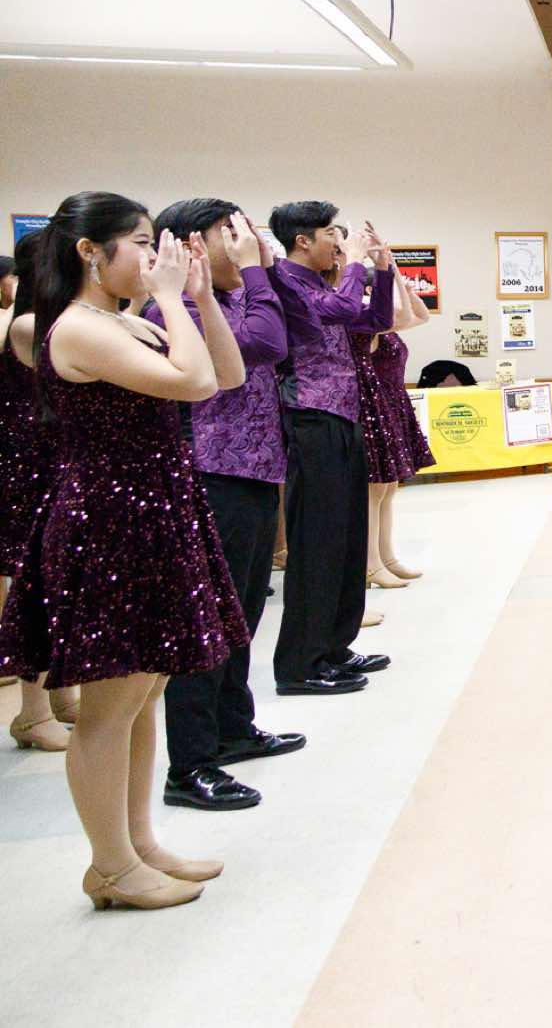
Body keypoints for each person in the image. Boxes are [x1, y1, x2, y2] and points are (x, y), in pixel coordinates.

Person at [0, 193, 252, 912]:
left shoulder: (123, 321)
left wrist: (200, 299)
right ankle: (109, 864)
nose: (152, 255)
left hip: (152, 513)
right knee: (110, 707)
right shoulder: (77, 328)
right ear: (90, 251)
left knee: (143, 697)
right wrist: (169, 297)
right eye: (141, 242)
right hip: (111, 523)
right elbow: (193, 383)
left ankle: (138, 841)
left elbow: (227, 375)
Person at [144, 200, 304, 812]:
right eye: (227, 232)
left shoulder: (231, 296)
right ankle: (191, 763)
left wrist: (260, 270)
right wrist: (256, 271)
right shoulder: (177, 307)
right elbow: (266, 343)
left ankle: (234, 728)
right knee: (208, 621)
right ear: (190, 245)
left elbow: (290, 333)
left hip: (256, 469)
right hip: (212, 472)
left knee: (242, 614)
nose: (244, 241)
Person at [267, 201, 393, 696]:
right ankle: (301, 662)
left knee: (346, 538)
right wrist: (356, 262)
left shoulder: (323, 283)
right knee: (317, 543)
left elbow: (374, 318)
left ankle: (336, 646)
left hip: (343, 417)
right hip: (309, 418)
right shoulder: (284, 281)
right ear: (302, 240)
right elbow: (339, 311)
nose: (339, 246)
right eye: (330, 236)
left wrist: (383, 271)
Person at [1, 230, 75, 751]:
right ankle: (32, 712)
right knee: (37, 586)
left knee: (59, 581)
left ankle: (60, 694)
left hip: (52, 457)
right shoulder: (29, 325)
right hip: (28, 463)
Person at [355, 271, 436, 592]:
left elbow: (422, 314)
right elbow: (404, 313)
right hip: (373, 407)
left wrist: (402, 283)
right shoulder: (367, 320)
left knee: (389, 488)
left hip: (392, 405)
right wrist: (388, 274)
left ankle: (387, 557)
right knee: (374, 490)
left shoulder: (383, 322)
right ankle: (370, 564)